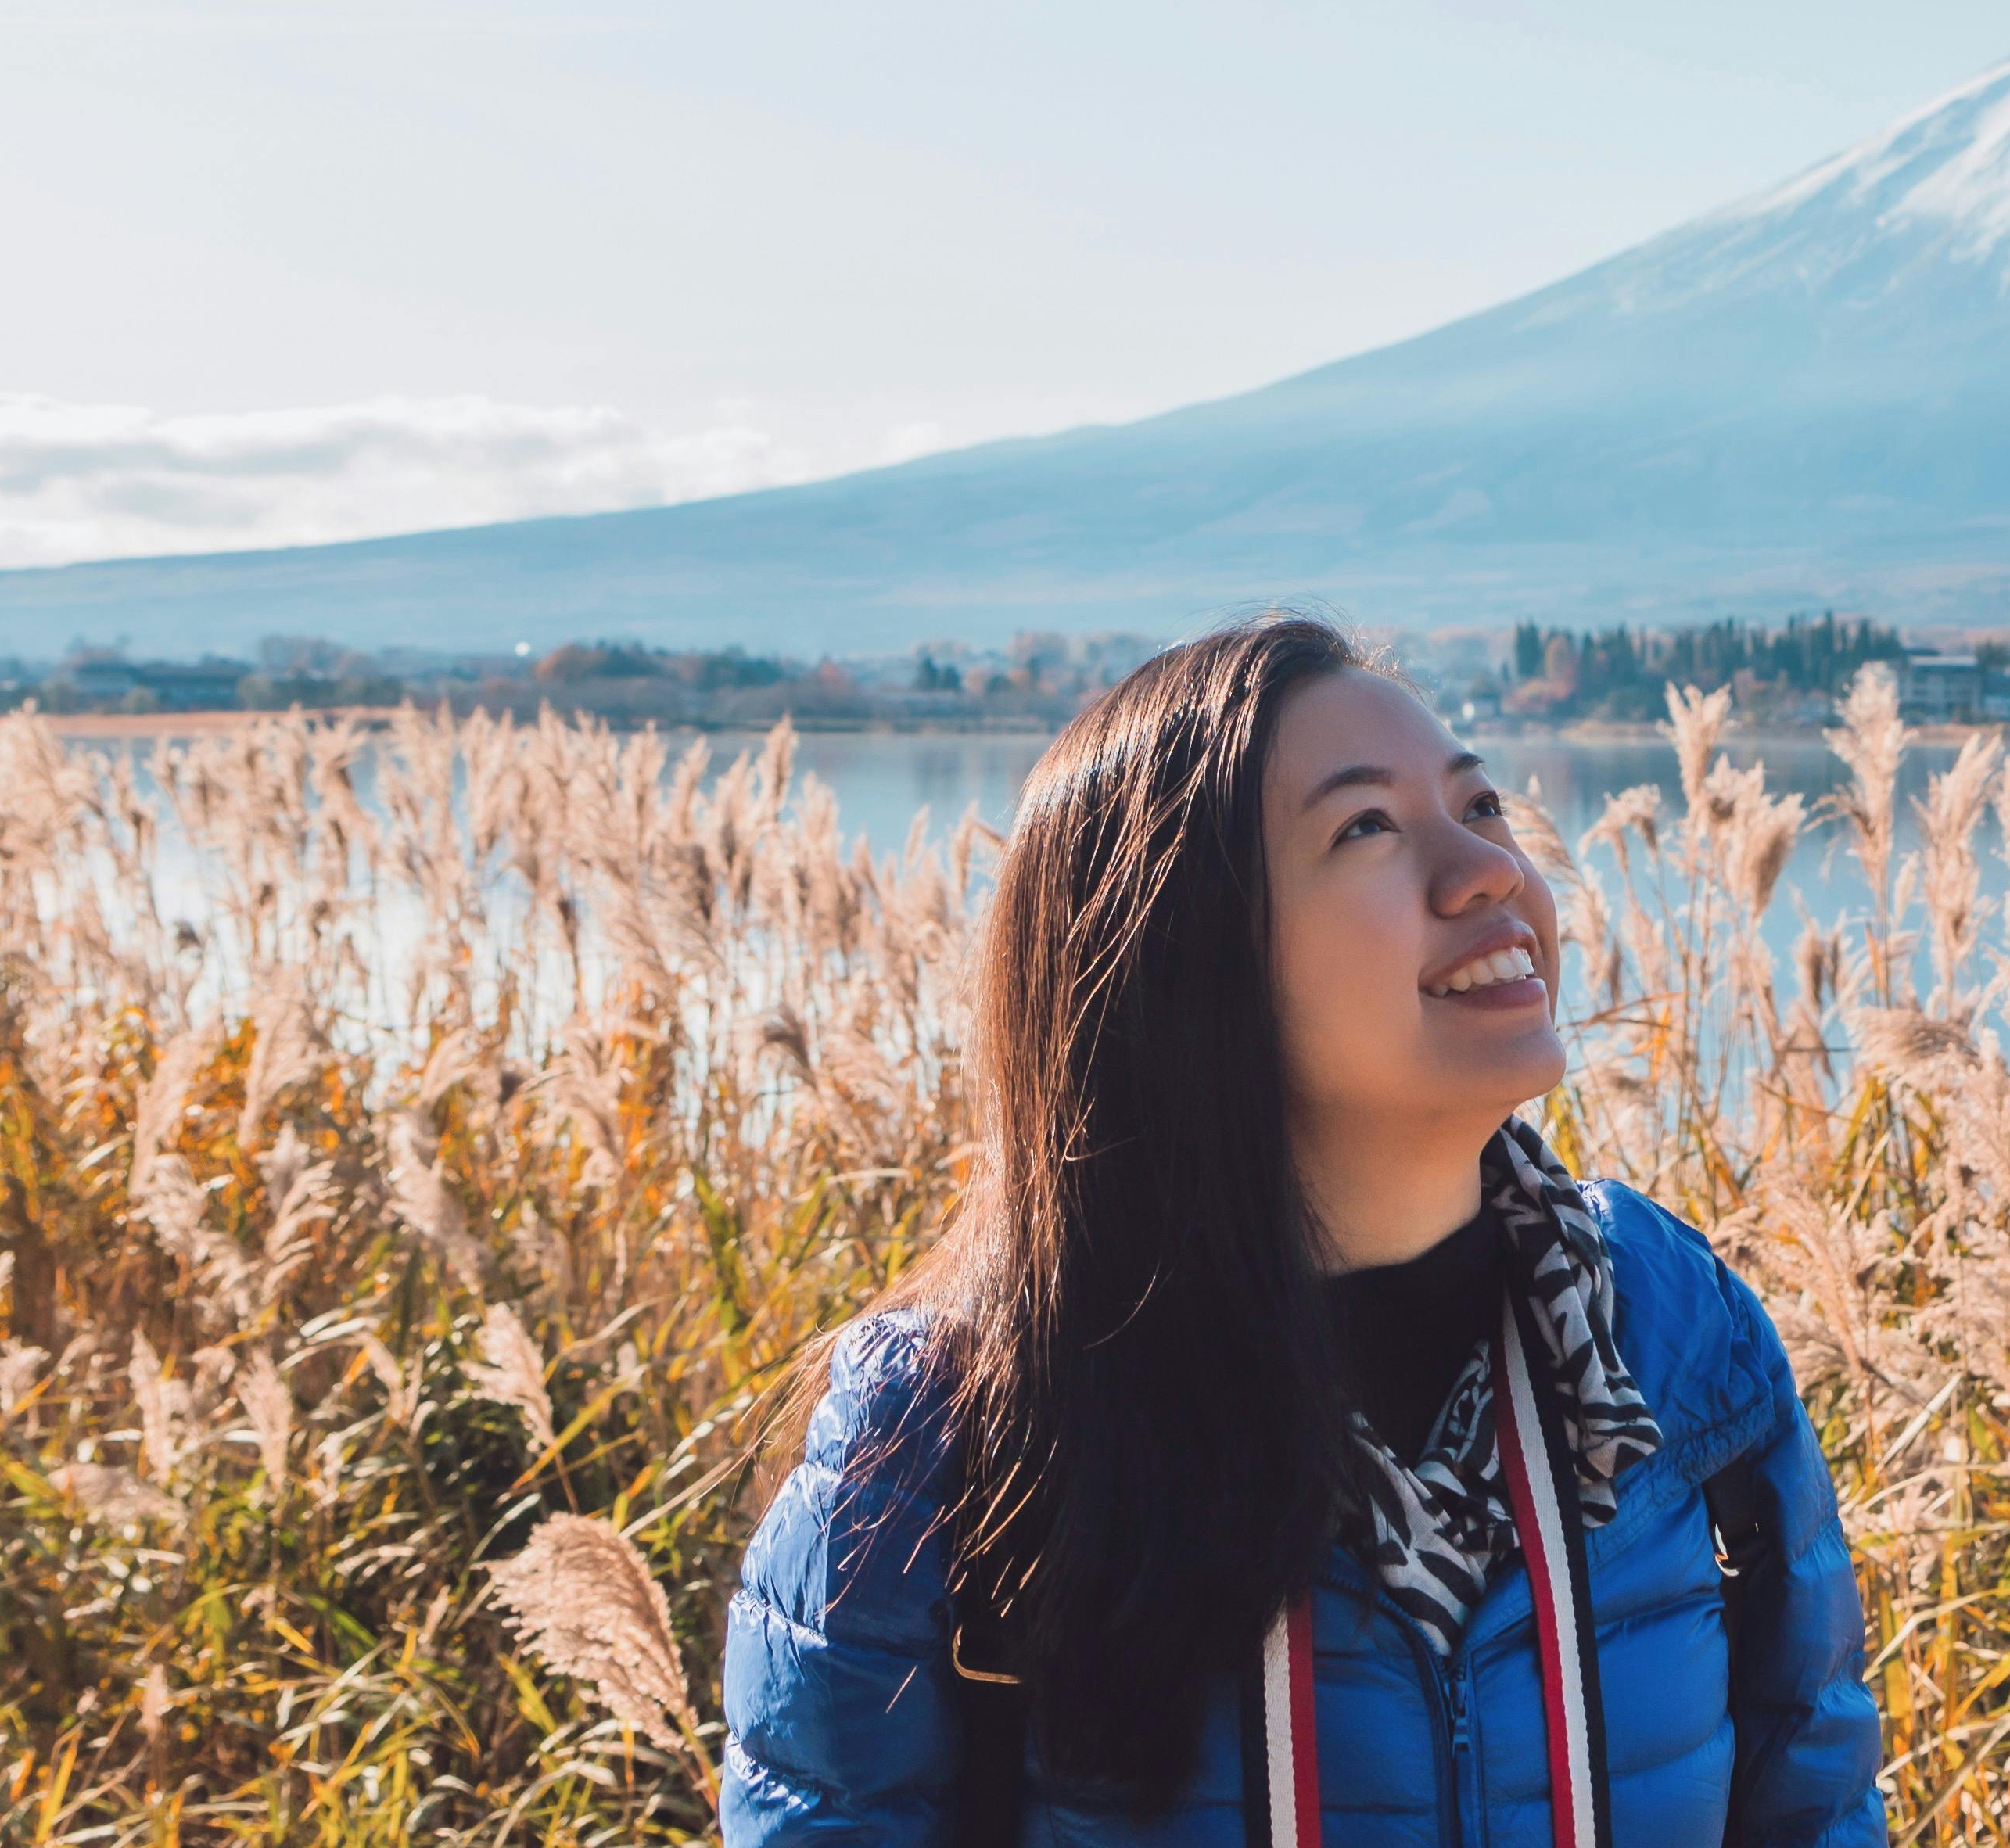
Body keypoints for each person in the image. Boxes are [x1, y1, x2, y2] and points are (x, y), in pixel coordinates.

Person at [722, 615, 1886, 1848]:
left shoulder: (1667, 1325)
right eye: (1367, 827)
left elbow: (1818, 1804)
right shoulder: (947, 1432)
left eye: (1481, 805)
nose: (1485, 869)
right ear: (1182, 961)